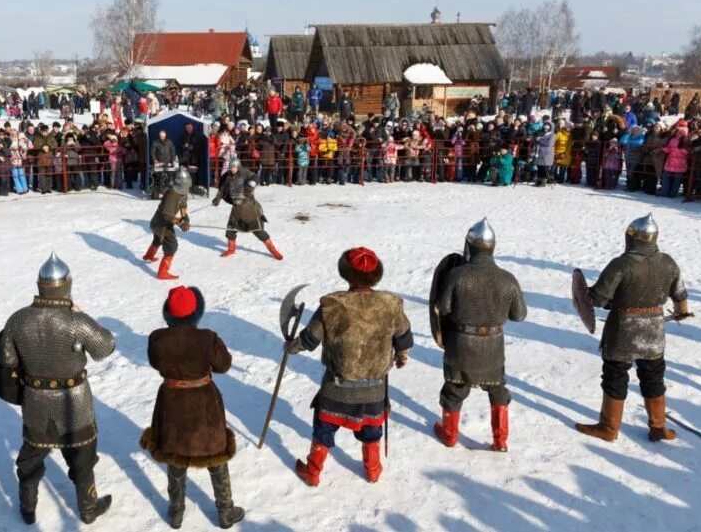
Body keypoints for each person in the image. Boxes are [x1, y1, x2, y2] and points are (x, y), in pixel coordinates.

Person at [0, 253, 116, 525]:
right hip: (74, 400)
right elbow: (105, 347)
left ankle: (28, 508)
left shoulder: (18, 319)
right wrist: (83, 315)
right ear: (66, 285)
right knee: (82, 458)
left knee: (31, 456)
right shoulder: (76, 321)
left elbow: (6, 360)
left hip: (36, 400)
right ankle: (87, 508)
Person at [285, 247, 414, 485]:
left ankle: (313, 472)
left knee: (324, 428)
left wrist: (291, 348)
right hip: (374, 387)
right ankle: (373, 470)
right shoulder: (390, 304)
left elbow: (310, 339)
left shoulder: (332, 304)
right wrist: (402, 356)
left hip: (337, 386)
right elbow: (404, 335)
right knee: (371, 428)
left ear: (346, 272)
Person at [575, 215, 689, 443]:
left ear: (631, 237)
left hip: (623, 329)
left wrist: (582, 292)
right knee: (653, 376)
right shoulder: (668, 262)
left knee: (615, 376)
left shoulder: (621, 264)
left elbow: (597, 298)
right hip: (653, 330)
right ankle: (658, 427)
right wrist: (681, 311)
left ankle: (608, 428)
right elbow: (680, 293)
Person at [140, 286, 245, 529]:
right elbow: (224, 365)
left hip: (171, 403)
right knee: (215, 452)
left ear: (168, 313)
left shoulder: (157, 339)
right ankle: (226, 511)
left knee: (175, 453)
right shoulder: (207, 338)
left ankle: (176, 512)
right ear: (195, 312)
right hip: (204, 404)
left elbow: (156, 362)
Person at [432, 218, 527, 451]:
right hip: (492, 346)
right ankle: (500, 440)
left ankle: (450, 435)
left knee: (454, 390)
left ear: (470, 246)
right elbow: (519, 315)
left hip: (461, 343)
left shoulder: (457, 276)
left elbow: (442, 308)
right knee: (497, 389)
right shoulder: (508, 279)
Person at [212, 157, 283, 260]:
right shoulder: (228, 176)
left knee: (258, 231)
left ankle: (273, 251)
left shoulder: (245, 173)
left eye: (235, 167)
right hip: (236, 208)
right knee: (231, 230)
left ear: (238, 166)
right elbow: (223, 189)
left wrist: (249, 187)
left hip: (249, 207)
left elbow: (255, 178)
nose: (233, 169)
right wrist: (217, 198)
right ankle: (231, 249)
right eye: (231, 167)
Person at [142, 169, 191, 280]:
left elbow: (183, 207)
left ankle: (149, 255)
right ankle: (162, 272)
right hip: (161, 223)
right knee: (171, 246)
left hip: (163, 222)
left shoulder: (183, 192)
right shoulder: (172, 194)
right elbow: (167, 215)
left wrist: (185, 219)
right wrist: (180, 223)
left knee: (158, 239)